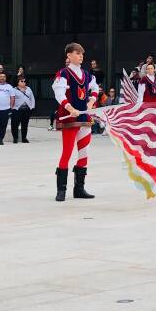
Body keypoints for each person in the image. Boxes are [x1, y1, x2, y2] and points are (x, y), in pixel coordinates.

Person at [52, 43, 99, 201]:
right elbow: (59, 93)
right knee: (67, 152)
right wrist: (69, 107)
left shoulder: (87, 74)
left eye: (82, 54)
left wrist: (92, 101)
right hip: (70, 118)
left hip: (84, 118)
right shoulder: (63, 73)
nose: (81, 56)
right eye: (77, 53)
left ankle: (79, 189)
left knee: (84, 152)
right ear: (69, 56)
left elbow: (95, 88)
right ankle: (61, 190)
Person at [11, 77, 35, 143]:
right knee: (15, 124)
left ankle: (24, 138)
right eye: (22, 81)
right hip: (17, 109)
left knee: (25, 124)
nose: (23, 82)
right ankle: (15, 138)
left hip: (26, 109)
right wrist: (11, 108)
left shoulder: (29, 89)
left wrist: (32, 107)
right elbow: (11, 99)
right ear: (18, 82)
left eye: (24, 81)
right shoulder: (13, 89)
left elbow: (32, 98)